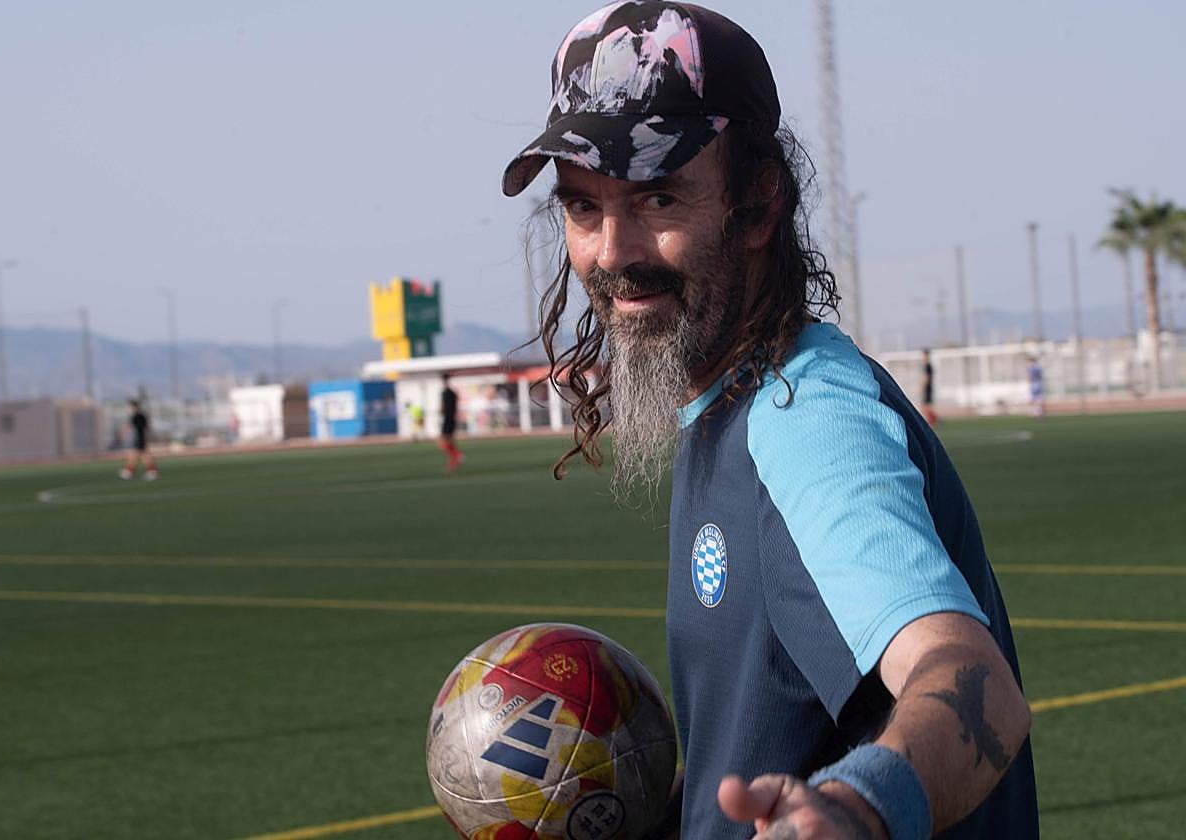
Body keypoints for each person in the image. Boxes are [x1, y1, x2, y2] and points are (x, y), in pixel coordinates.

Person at [503, 3, 1037, 838]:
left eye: (658, 196)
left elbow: (979, 690)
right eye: (582, 208)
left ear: (758, 207)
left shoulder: (805, 420)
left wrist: (855, 812)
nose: (611, 252)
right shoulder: (726, 399)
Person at [119, 399, 158, 480]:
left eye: (130, 407)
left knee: (138, 456)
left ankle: (129, 472)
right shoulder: (140, 415)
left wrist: (123, 434)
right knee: (141, 456)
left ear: (134, 407)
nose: (129, 408)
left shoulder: (137, 416)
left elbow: (130, 427)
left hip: (139, 438)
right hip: (140, 438)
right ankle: (150, 472)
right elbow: (147, 427)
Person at [438, 374, 463, 471]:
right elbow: (456, 404)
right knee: (450, 441)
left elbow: (442, 407)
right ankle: (455, 460)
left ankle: (456, 456)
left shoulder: (445, 393)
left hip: (447, 419)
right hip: (452, 418)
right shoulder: (453, 392)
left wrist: (441, 411)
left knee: (443, 442)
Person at [920, 348, 937, 425]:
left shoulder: (928, 365)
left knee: (925, 407)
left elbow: (927, 377)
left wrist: (922, 386)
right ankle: (933, 420)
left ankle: (933, 420)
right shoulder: (927, 365)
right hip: (928, 387)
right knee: (926, 406)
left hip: (928, 387)